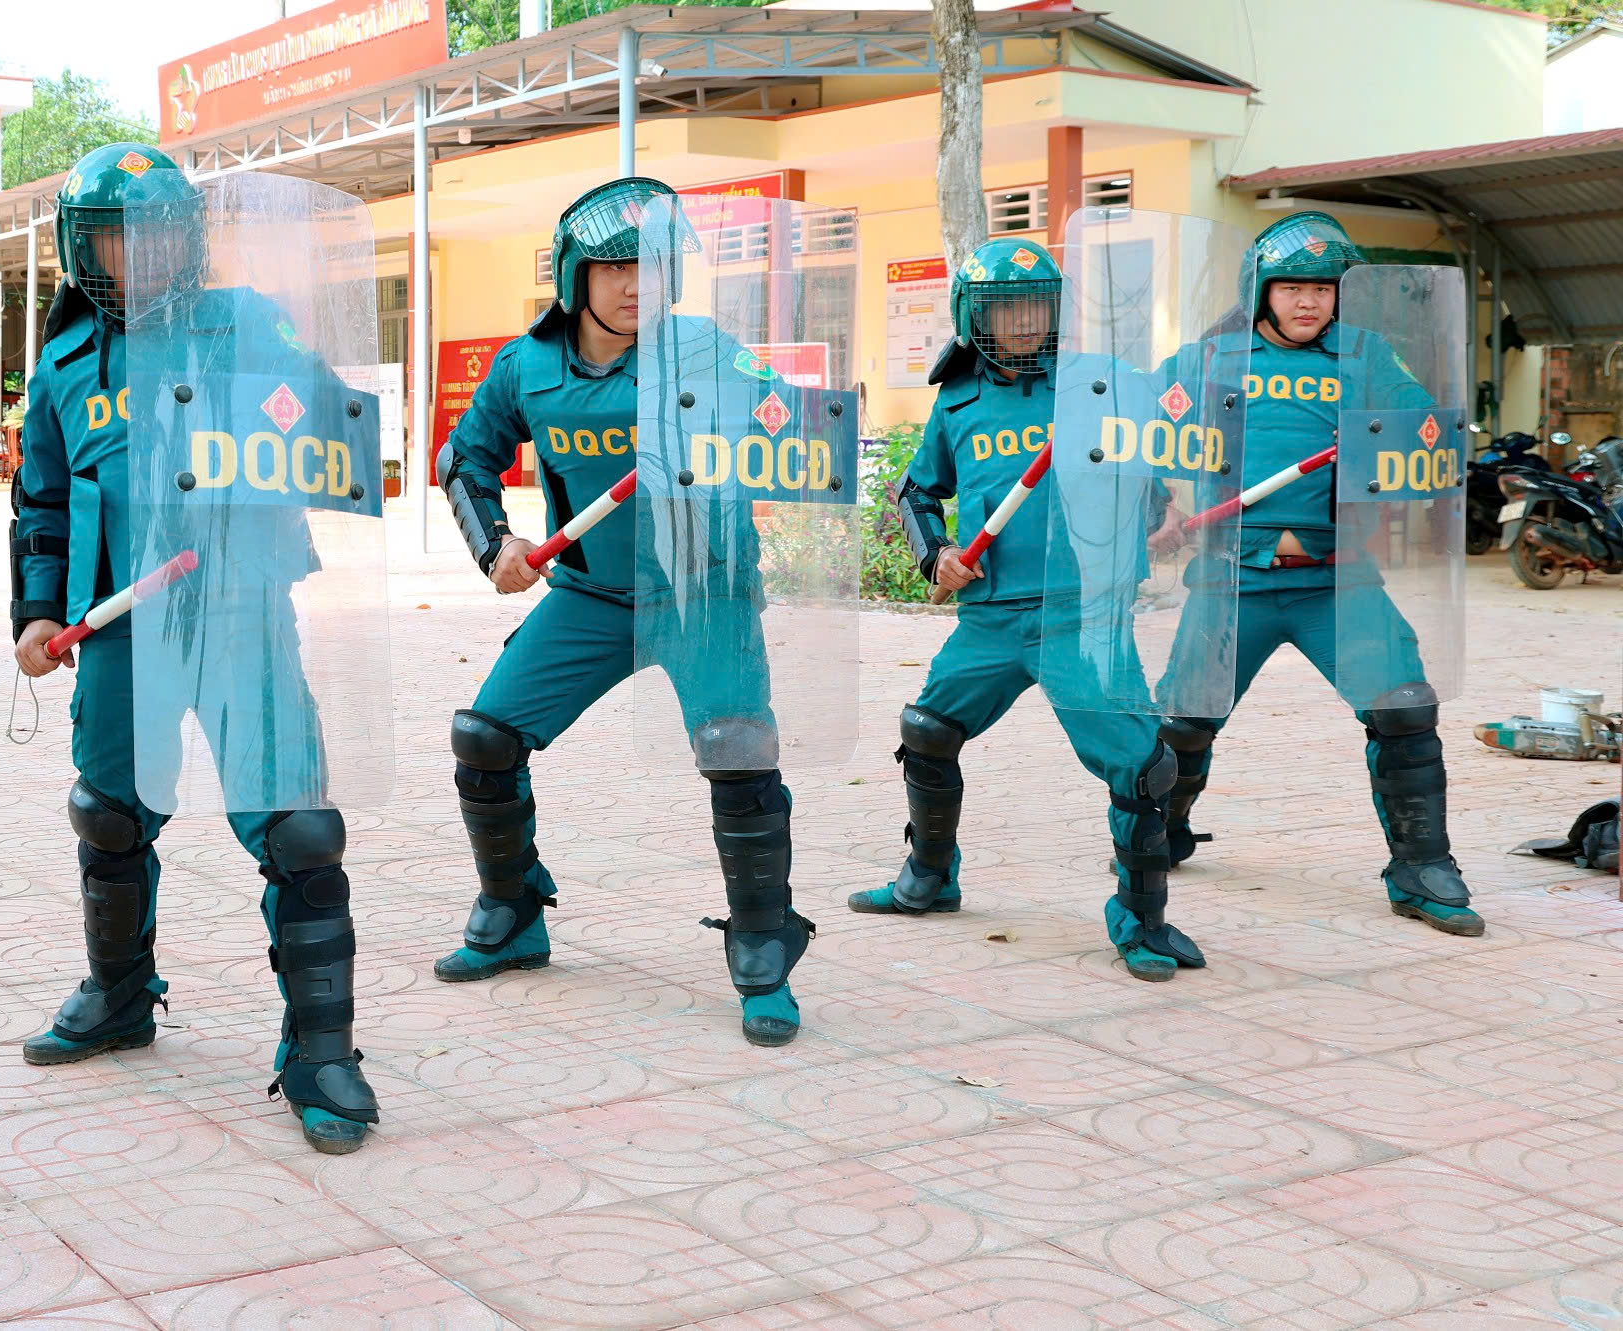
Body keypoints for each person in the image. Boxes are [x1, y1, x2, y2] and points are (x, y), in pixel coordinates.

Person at [8, 144, 383, 1156]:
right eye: (118, 235)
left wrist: (302, 422)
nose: (144, 251)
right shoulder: (63, 362)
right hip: (121, 626)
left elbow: (332, 431)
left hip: (241, 613)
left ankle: (321, 1050)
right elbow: (41, 502)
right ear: (82, 249)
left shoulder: (246, 322)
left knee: (297, 827)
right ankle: (120, 996)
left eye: (163, 230)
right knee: (109, 815)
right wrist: (36, 613)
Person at [432, 177, 811, 1046]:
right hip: (591, 596)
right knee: (486, 739)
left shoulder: (705, 350)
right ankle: (512, 911)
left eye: (656, 265)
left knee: (738, 754)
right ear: (574, 275)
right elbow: (464, 458)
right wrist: (496, 545)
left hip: (705, 598)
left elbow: (795, 432)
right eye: (616, 267)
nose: (639, 284)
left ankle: (764, 946)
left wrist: (768, 432)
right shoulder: (526, 366)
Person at [861, 236, 1206, 981]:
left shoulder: (1097, 388)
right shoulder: (956, 402)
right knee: (928, 731)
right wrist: (936, 554)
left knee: (1142, 766)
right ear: (973, 315)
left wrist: (1155, 515)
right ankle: (931, 874)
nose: (1023, 321)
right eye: (1004, 307)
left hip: (1081, 617)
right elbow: (917, 491)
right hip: (990, 618)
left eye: (1036, 306)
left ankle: (1141, 919)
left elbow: (1143, 476)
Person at [1151, 212, 1481, 935]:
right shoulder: (1210, 358)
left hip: (1339, 578)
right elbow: (1129, 432)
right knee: (1182, 723)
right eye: (1293, 287)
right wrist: (1155, 508)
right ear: (1260, 291)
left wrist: (1398, 441)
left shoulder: (1365, 355)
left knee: (1403, 707)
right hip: (1231, 579)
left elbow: (1430, 434)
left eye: (1325, 288)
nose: (1309, 302)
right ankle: (1160, 830)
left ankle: (1422, 868)